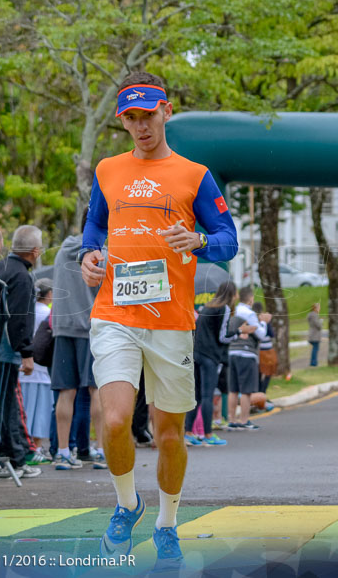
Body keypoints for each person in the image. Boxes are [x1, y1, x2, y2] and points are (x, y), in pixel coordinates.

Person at [80, 71, 238, 569]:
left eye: (149, 115)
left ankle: (167, 522)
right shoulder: (108, 169)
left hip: (171, 320)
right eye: (132, 117)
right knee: (114, 419)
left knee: (170, 434)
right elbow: (94, 223)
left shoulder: (195, 174)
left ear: (166, 111)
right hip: (114, 313)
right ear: (122, 120)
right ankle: (128, 504)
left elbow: (228, 240)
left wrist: (201, 242)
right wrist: (88, 254)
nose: (142, 125)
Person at [51, 215, 107, 470]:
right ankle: (102, 450)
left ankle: (63, 451)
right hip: (90, 327)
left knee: (66, 392)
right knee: (97, 390)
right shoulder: (99, 253)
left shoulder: (63, 249)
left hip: (63, 327)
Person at [0, 225, 46, 472]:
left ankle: (8, 455)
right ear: (35, 251)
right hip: (6, 349)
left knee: (1, 402)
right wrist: (26, 353)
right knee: (7, 403)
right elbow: (20, 317)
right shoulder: (22, 276)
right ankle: (11, 457)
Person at [184, 281, 238, 447]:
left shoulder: (207, 307)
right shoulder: (224, 309)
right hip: (210, 356)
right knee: (208, 395)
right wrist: (238, 333)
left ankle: (188, 432)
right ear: (231, 294)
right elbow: (223, 336)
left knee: (197, 396)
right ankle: (208, 434)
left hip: (197, 354)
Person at [19, 278, 55, 459]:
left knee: (25, 409)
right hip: (41, 369)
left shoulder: (27, 311)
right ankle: (37, 446)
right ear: (49, 294)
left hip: (24, 366)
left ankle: (26, 446)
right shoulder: (47, 314)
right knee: (40, 411)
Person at [225, 286, 269, 429]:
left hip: (232, 351)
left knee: (233, 389)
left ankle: (232, 420)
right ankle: (244, 420)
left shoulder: (234, 310)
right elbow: (261, 334)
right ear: (250, 299)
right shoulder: (249, 314)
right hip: (246, 352)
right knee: (246, 390)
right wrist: (264, 322)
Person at [307, 302, 322, 367]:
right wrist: (321, 322)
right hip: (315, 335)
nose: (319, 309)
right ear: (315, 308)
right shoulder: (314, 315)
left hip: (311, 334)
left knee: (314, 349)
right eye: (319, 307)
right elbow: (318, 325)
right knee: (315, 349)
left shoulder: (310, 315)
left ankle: (313, 362)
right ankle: (313, 363)